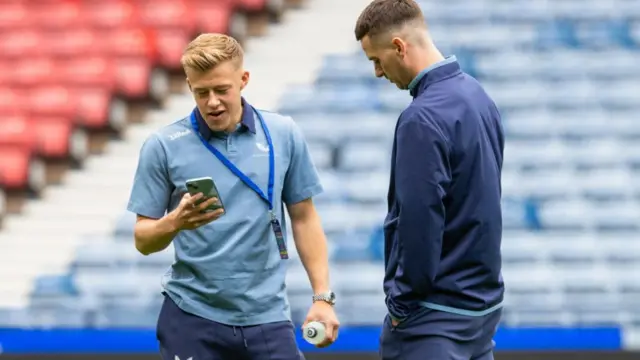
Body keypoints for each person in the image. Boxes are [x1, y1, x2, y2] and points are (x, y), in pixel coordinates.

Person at [127, 33, 339, 360]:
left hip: (267, 316)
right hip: (192, 316)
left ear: (243, 80)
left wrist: (322, 297)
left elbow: (304, 217)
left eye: (221, 89)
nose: (212, 102)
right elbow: (143, 239)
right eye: (201, 92)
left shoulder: (284, 134)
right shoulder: (163, 145)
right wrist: (174, 222)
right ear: (189, 86)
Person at [354, 1, 505, 359]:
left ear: (399, 47)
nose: (377, 72)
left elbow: (420, 219)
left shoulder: (421, 119)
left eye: (376, 60)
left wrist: (402, 303)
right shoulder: (479, 97)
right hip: (480, 312)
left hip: (434, 319)